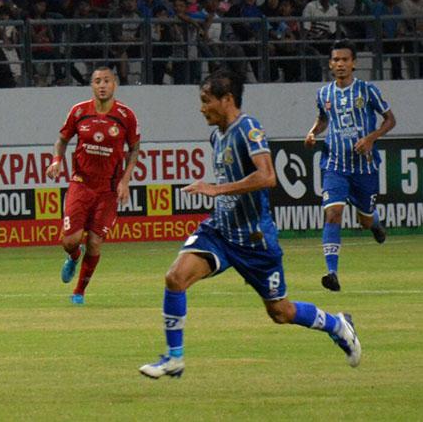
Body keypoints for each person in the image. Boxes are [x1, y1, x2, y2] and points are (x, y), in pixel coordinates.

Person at [139, 69, 361, 379]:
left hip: (255, 241)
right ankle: (174, 358)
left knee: (280, 312)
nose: (201, 108)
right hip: (219, 232)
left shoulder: (249, 128)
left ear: (227, 99)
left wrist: (216, 189)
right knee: (175, 277)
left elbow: (267, 176)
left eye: (206, 101)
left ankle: (338, 325)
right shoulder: (217, 135)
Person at [304, 40, 396, 292]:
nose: (340, 64)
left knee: (364, 219)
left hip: (364, 168)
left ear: (353, 63)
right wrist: (313, 132)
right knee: (333, 213)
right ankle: (331, 272)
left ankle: (374, 223)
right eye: (336, 60)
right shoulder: (324, 94)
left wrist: (370, 138)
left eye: (345, 60)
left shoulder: (367, 91)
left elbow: (390, 120)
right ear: (331, 64)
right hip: (335, 165)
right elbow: (323, 119)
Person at [45, 66, 141, 305]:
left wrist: (125, 181)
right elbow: (62, 140)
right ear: (91, 85)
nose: (102, 85)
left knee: (95, 242)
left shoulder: (126, 116)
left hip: (108, 190)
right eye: (97, 80)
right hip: (81, 184)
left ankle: (79, 292)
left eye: (106, 80)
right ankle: (73, 257)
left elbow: (135, 149)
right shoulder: (79, 112)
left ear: (114, 85)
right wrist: (57, 160)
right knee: (70, 241)